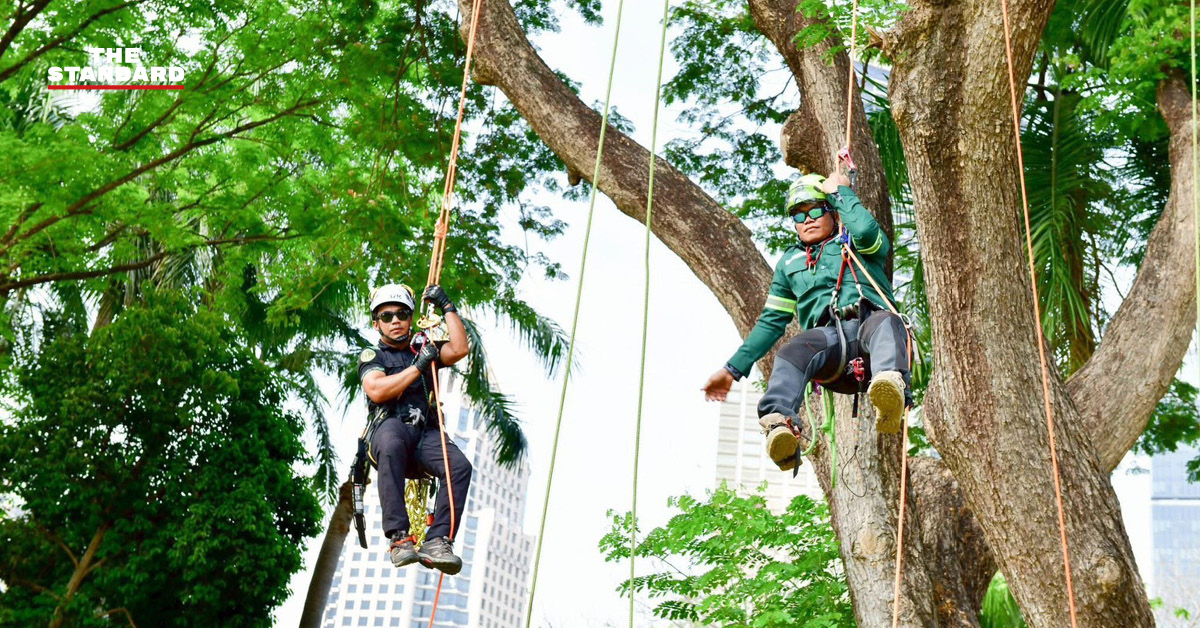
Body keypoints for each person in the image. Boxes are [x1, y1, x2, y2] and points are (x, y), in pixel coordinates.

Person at [702, 172, 911, 471]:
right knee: (792, 350)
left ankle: (889, 385)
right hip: (830, 343)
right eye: (799, 216)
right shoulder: (789, 264)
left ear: (833, 212)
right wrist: (731, 370)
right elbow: (771, 322)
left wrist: (840, 193)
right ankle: (779, 425)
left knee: (888, 322)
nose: (807, 220)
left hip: (871, 330)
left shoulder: (856, 241)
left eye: (815, 211)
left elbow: (866, 230)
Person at [358, 283, 472, 574]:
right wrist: (418, 367)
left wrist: (447, 307)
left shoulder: (424, 347)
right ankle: (398, 537)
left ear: (410, 317)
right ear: (376, 323)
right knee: (392, 443)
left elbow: (460, 348)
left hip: (424, 434)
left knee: (459, 466)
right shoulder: (374, 356)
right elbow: (377, 390)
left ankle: (438, 540)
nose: (395, 320)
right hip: (390, 430)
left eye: (402, 314)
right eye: (386, 316)